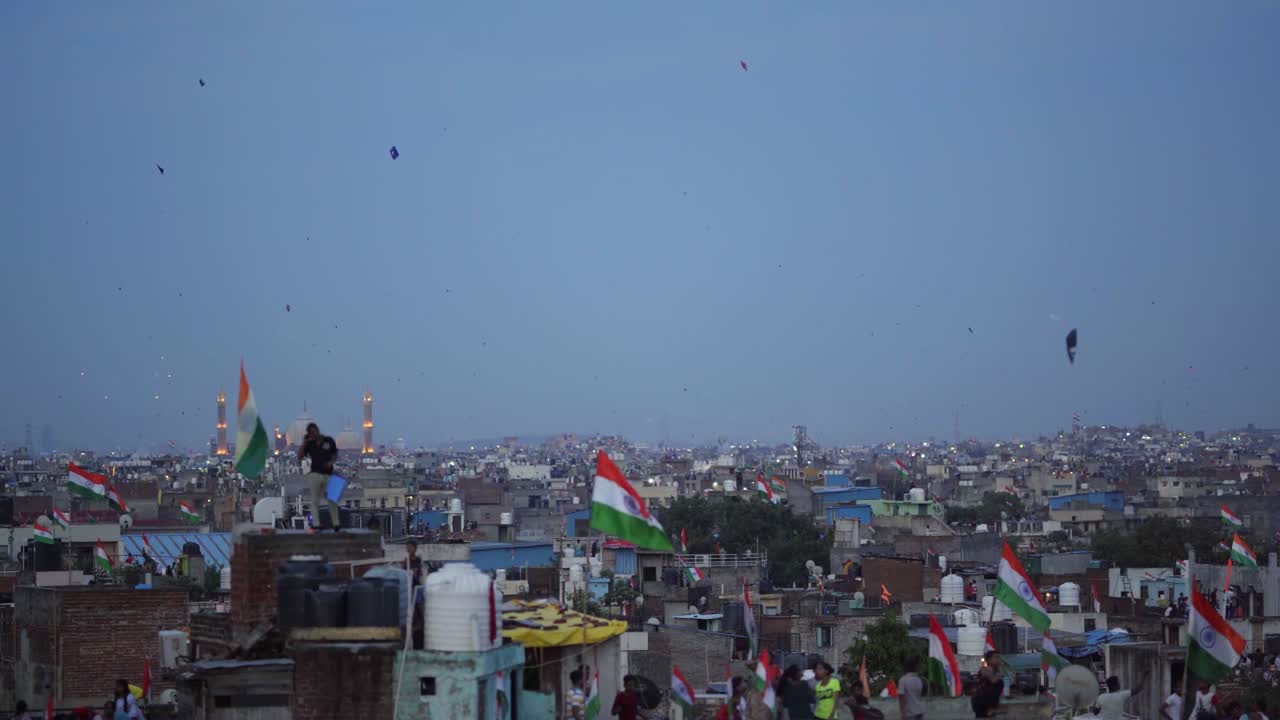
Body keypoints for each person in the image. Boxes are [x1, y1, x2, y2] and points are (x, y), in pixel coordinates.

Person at [298, 422, 341, 529]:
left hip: (329, 473)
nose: (313, 434)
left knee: (332, 499)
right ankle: (316, 524)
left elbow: (335, 454)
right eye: (310, 433)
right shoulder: (310, 444)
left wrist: (331, 463)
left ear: (317, 430)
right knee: (315, 500)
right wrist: (305, 442)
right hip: (315, 474)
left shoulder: (329, 441)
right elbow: (300, 456)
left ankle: (336, 524)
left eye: (313, 432)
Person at [972, 651, 1003, 718]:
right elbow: (993, 681)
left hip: (983, 702)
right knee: (999, 682)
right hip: (981, 702)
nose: (998, 660)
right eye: (996, 657)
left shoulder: (994, 670)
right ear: (989, 660)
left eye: (998, 657)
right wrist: (1000, 673)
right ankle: (990, 709)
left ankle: (990, 709)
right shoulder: (987, 669)